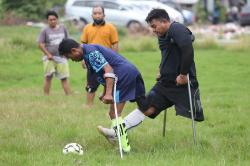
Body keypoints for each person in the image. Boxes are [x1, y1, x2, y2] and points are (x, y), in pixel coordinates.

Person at [97, 8, 204, 143]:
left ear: (164, 21)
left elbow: (188, 50)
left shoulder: (177, 29)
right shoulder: (162, 36)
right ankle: (115, 133)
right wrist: (161, 69)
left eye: (154, 26)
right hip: (166, 83)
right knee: (147, 108)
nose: (153, 30)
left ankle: (115, 133)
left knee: (193, 112)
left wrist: (183, 75)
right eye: (151, 27)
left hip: (183, 82)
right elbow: (166, 54)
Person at [58, 38, 146, 153]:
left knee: (114, 113)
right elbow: (102, 72)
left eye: (69, 57)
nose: (72, 60)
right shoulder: (88, 52)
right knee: (145, 107)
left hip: (123, 76)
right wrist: (105, 91)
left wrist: (109, 94)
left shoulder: (91, 53)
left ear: (74, 50)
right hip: (130, 72)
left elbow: (108, 70)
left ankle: (125, 148)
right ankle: (117, 137)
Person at [80, 6, 119, 107]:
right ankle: (89, 105)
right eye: (95, 13)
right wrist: (83, 60)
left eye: (99, 13)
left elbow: (115, 44)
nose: (97, 15)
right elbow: (83, 45)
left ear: (104, 15)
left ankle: (107, 100)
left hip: (107, 61)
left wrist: (114, 59)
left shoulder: (111, 28)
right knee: (91, 83)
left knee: (108, 80)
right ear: (92, 15)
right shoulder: (87, 28)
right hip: (92, 61)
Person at [38, 10, 70, 95]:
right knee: (48, 77)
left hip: (62, 57)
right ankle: (46, 96)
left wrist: (68, 54)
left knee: (64, 78)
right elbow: (40, 44)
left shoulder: (63, 28)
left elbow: (67, 41)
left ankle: (68, 95)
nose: (52, 21)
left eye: (54, 19)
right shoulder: (44, 30)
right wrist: (48, 54)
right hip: (49, 58)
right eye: (50, 20)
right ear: (47, 21)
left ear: (57, 19)